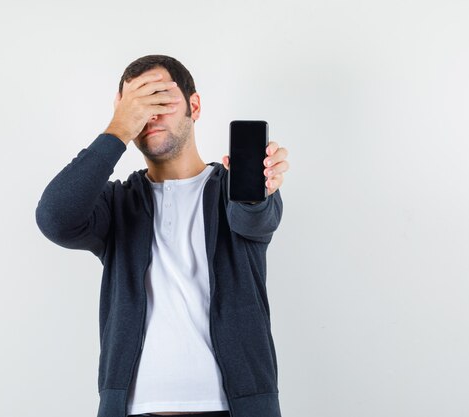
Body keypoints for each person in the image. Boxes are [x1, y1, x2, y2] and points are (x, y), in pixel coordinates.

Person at [35, 54, 289, 417]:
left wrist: (258, 190)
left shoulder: (234, 191)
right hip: (133, 410)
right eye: (138, 104)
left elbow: (256, 220)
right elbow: (55, 218)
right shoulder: (116, 204)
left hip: (235, 409)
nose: (150, 115)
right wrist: (117, 131)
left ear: (194, 105)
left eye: (161, 99)